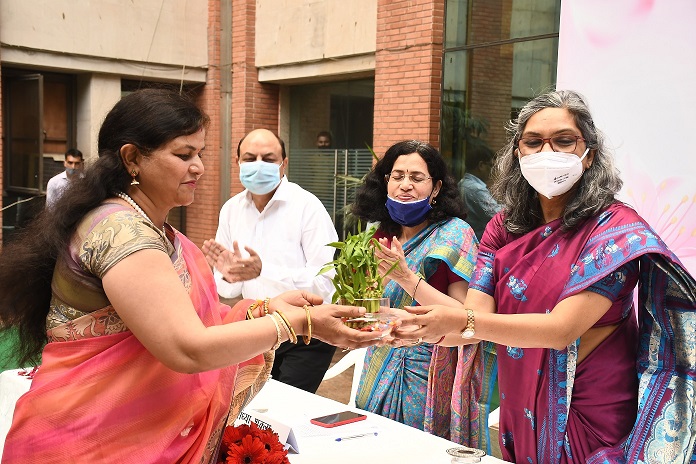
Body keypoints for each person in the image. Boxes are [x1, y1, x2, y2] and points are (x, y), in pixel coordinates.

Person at [0, 89, 378, 463]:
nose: (198, 167)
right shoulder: (120, 232)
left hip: (121, 433)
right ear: (132, 158)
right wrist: (297, 322)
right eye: (184, 155)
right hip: (89, 441)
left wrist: (263, 309)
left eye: (200, 154)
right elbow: (187, 347)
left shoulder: (159, 233)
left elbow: (193, 322)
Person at [392, 90, 696, 463]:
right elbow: (473, 322)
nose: (546, 152)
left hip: (587, 412)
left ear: (589, 155)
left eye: (564, 141)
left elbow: (560, 330)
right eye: (533, 142)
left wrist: (458, 322)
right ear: (517, 153)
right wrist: (418, 327)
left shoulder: (614, 230)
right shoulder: (503, 227)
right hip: (520, 408)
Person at [349, 140, 484, 442]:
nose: (405, 185)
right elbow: (369, 309)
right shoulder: (380, 235)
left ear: (436, 188)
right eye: (397, 176)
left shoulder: (454, 234)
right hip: (379, 360)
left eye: (416, 177)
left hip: (430, 370)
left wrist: (407, 278)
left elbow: (467, 318)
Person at [204, 128, 339, 393]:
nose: (258, 165)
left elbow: (325, 285)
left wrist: (263, 271)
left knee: (285, 408)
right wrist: (229, 275)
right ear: (238, 162)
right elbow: (228, 291)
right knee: (252, 408)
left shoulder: (307, 206)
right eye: (249, 158)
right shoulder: (231, 209)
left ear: (283, 163)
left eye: (268, 159)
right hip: (258, 329)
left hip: (306, 332)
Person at [458, 139, 502, 240]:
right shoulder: (475, 189)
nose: (492, 171)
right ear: (481, 165)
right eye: (491, 166)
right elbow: (498, 215)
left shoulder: (464, 183)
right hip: (478, 242)